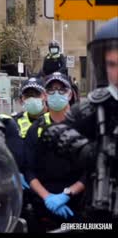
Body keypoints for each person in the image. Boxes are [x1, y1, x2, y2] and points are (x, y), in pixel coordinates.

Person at [40, 17, 118, 224]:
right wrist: (90, 151)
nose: (117, 72)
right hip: (101, 207)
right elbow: (53, 133)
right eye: (111, 64)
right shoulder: (95, 105)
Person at [23, 72, 86, 232]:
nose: (56, 93)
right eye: (51, 90)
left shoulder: (84, 126)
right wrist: (47, 197)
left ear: (70, 93)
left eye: (61, 89)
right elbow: (29, 171)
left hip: (76, 205)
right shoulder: (36, 128)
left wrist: (67, 194)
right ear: (45, 95)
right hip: (43, 205)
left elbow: (91, 170)